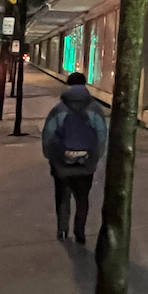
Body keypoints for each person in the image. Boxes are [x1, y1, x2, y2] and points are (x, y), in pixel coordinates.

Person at [41, 72, 108, 244]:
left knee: (62, 197)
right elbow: (101, 134)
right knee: (82, 198)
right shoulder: (95, 109)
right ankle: (80, 232)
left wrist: (50, 155)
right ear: (85, 85)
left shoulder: (59, 109)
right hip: (86, 163)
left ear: (68, 85)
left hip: (62, 163)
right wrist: (96, 156)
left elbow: (48, 134)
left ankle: (62, 229)